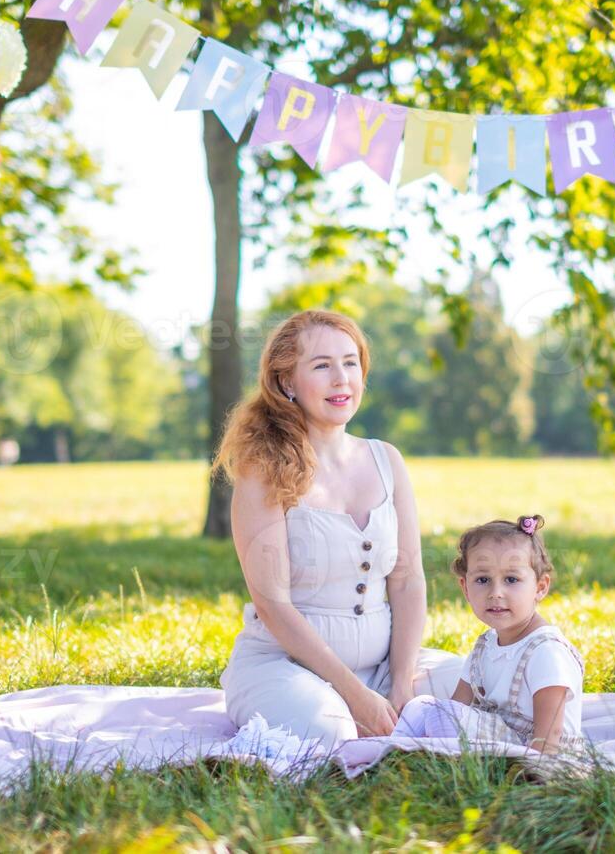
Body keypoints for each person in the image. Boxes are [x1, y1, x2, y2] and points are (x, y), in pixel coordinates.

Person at [214, 310, 466, 747]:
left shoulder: (386, 459)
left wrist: (402, 686)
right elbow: (272, 604)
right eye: (322, 365)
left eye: (350, 363)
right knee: (329, 729)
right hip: (284, 668)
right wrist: (355, 696)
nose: (341, 379)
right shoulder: (264, 469)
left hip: (384, 668)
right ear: (287, 382)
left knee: (492, 690)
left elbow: (407, 580)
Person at [392, 513, 588, 754]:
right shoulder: (486, 646)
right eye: (483, 579)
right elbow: (457, 705)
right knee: (422, 706)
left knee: (439, 716)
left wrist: (533, 773)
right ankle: (394, 749)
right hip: (496, 738)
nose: (496, 592)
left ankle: (415, 749)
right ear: (465, 587)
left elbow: (549, 739)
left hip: (533, 751)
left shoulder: (546, 651)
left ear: (540, 587)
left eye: (511, 579)